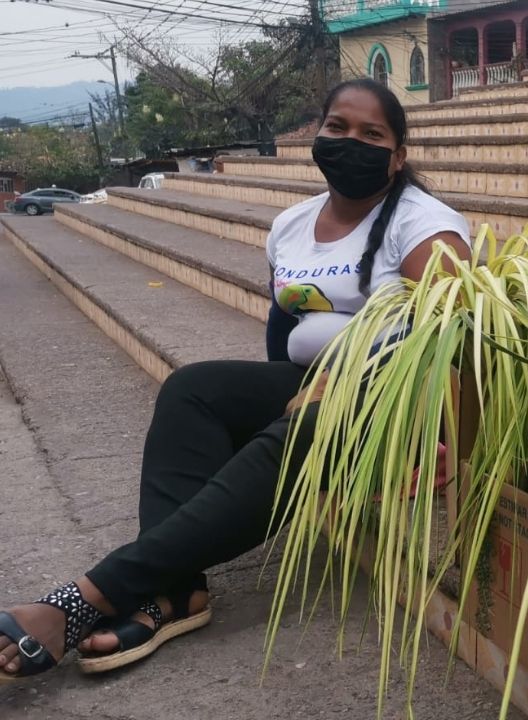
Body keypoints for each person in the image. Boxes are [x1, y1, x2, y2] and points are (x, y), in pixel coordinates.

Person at [0, 77, 471, 680]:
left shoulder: (425, 224)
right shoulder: (293, 224)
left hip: (399, 404)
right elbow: (285, 321)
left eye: (371, 134)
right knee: (192, 388)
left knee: (306, 425)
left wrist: (347, 387)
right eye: (337, 127)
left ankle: (86, 597)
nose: (350, 141)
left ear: (398, 155)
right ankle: (178, 592)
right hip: (313, 383)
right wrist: (281, 392)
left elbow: (448, 331)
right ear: (318, 134)